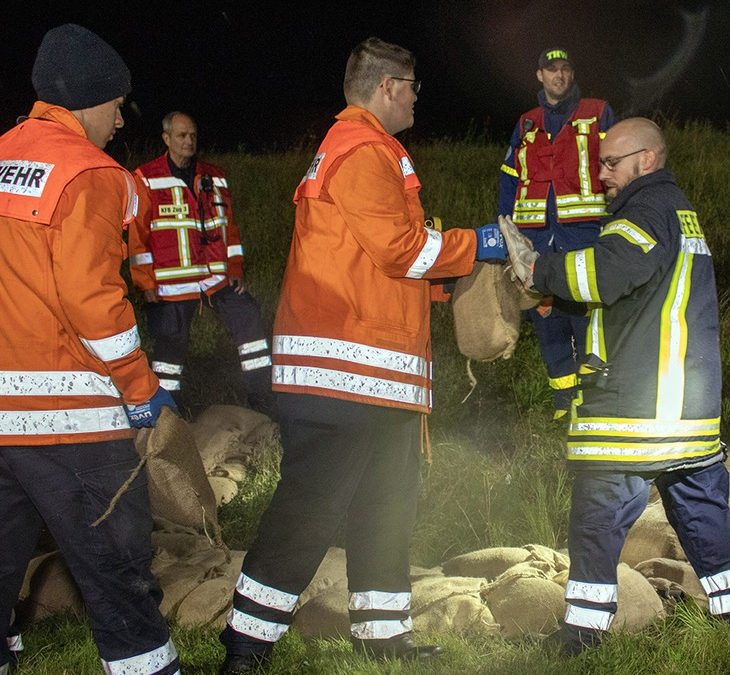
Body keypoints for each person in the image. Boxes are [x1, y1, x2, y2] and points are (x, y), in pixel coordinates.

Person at [217, 37, 506, 674]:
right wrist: (478, 244)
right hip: (344, 374)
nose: (416, 98)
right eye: (412, 87)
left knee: (387, 507)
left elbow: (382, 264)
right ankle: (246, 646)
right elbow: (400, 248)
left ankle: (382, 638)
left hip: (374, 376)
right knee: (309, 510)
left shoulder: (362, 149)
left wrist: (446, 281)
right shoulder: (362, 150)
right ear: (386, 87)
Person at [500, 117, 730, 655]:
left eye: (610, 163)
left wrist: (540, 270)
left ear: (647, 159)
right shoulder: (676, 212)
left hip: (636, 404)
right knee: (701, 510)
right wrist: (560, 299)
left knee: (597, 516)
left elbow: (608, 274)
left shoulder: (645, 209)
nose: (600, 175)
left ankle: (582, 636)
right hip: (685, 404)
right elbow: (632, 294)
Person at [0, 23, 179, 675]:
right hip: (72, 418)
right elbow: (92, 301)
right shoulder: (91, 173)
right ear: (93, 101)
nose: (118, 120)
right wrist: (140, 391)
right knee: (120, 576)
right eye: (116, 106)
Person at [129, 111, 275, 415]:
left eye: (193, 135)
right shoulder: (146, 177)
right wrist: (145, 281)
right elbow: (138, 234)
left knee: (249, 319)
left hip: (216, 278)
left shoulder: (215, 176)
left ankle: (261, 396)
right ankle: (167, 413)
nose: (189, 141)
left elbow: (228, 227)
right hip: (171, 283)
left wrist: (235, 269)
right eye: (181, 135)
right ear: (166, 139)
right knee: (169, 348)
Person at [498, 47, 617, 419]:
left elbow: (619, 164)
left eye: (565, 69)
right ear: (540, 76)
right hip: (536, 242)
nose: (559, 76)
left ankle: (595, 404)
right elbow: (509, 180)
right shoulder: (526, 123)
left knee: (586, 319)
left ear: (572, 73)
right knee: (546, 320)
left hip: (584, 236)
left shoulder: (598, 112)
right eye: (552, 70)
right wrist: (505, 232)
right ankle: (564, 407)